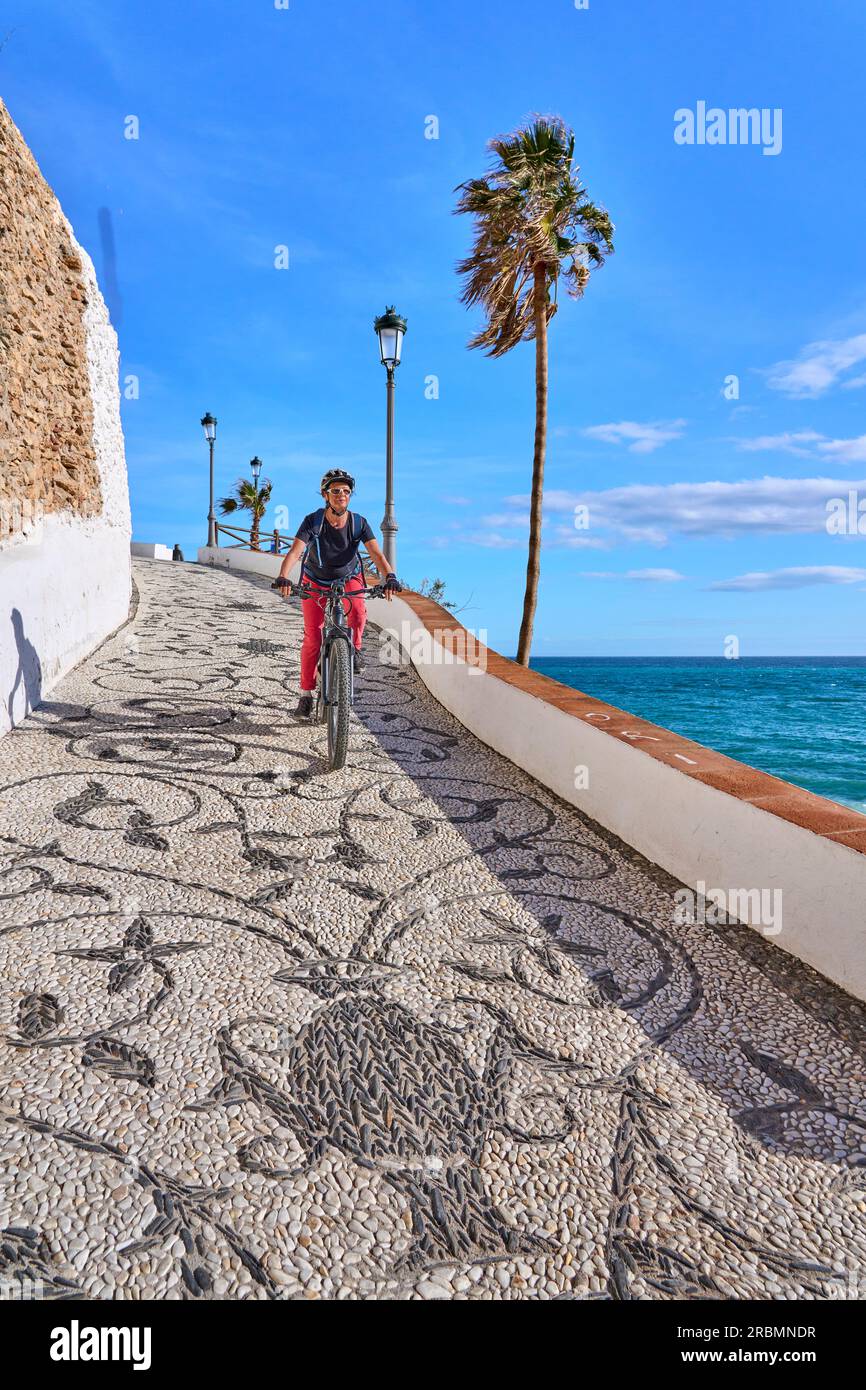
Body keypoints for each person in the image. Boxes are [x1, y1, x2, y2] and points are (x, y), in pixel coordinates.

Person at [274, 469, 400, 716]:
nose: (341, 495)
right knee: (313, 637)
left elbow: (376, 554)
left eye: (346, 491)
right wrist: (283, 576)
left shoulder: (358, 522)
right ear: (325, 495)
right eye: (335, 491)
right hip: (315, 580)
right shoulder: (314, 521)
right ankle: (306, 694)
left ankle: (354, 651)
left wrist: (391, 576)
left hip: (348, 577)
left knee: (359, 614)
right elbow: (295, 552)